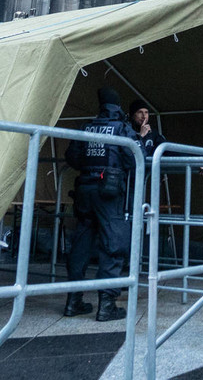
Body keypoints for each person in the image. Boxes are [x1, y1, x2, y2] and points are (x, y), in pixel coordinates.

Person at [64, 87, 140, 321]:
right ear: (117, 105)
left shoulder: (87, 127)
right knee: (113, 244)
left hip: (85, 190)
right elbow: (135, 159)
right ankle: (106, 305)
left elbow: (72, 157)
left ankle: (72, 301)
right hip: (109, 193)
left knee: (81, 244)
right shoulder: (121, 128)